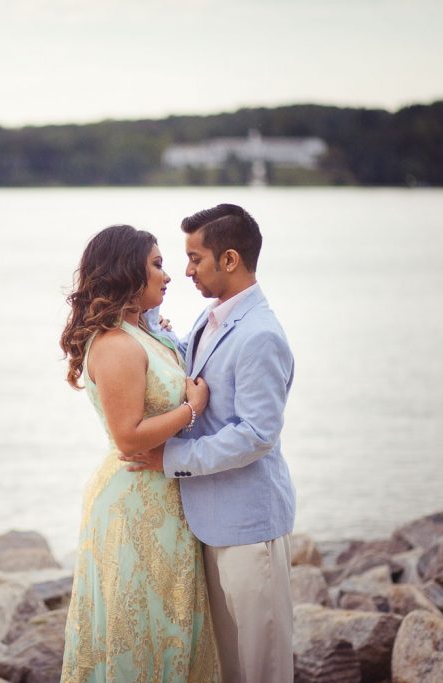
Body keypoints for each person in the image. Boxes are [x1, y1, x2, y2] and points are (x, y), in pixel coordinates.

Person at [121, 204, 297, 683]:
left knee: (264, 667)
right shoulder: (209, 319)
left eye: (196, 258)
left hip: (249, 526)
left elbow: (258, 434)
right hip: (209, 523)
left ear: (230, 259)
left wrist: (170, 458)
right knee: (230, 667)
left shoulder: (260, 334)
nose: (187, 270)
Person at [58, 224, 220, 683]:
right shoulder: (114, 345)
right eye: (156, 264)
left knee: (172, 623)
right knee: (141, 628)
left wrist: (166, 337)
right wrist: (191, 409)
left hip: (164, 497)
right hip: (134, 502)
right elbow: (129, 436)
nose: (167, 276)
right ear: (127, 271)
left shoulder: (142, 333)